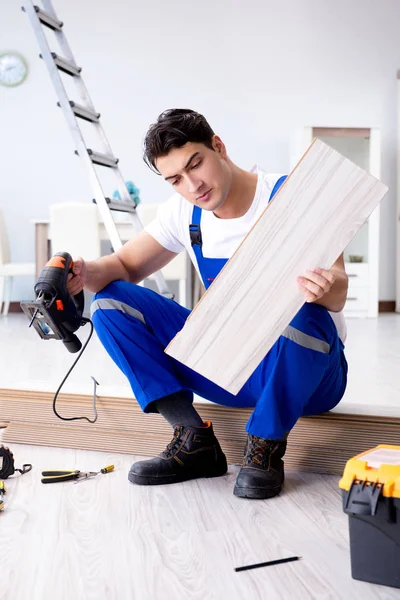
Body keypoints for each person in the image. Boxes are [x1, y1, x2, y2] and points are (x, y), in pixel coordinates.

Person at [67, 109, 349, 500]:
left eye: (195, 164)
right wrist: (81, 272)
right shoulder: (186, 212)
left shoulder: (289, 194)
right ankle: (192, 440)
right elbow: (124, 266)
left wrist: (325, 286)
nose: (192, 185)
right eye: (175, 180)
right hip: (231, 368)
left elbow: (339, 290)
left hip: (309, 373)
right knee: (109, 302)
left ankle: (265, 447)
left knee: (307, 312)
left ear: (218, 146)